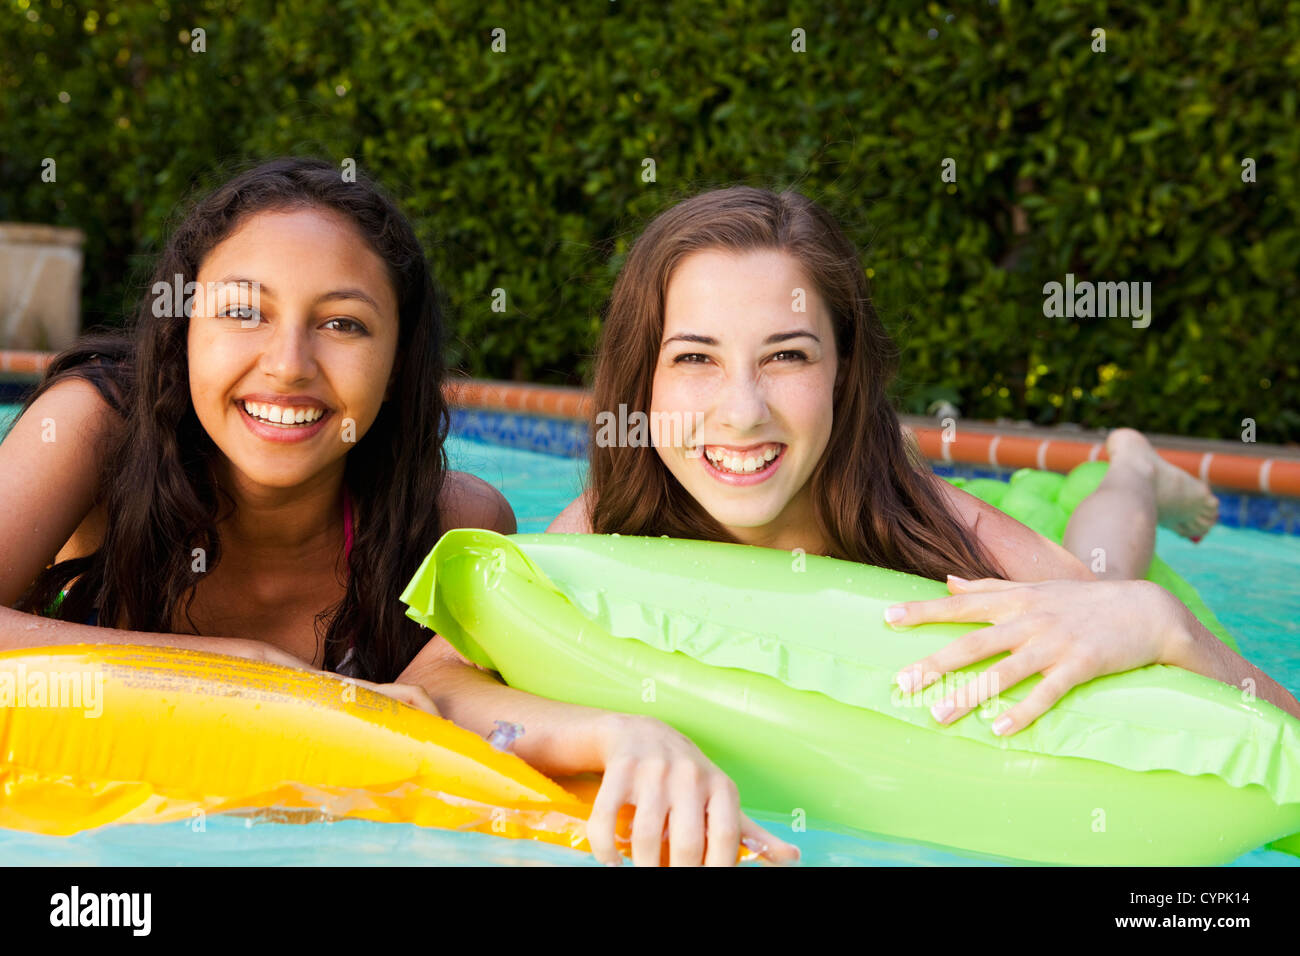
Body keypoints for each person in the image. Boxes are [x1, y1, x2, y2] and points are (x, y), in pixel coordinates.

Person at [0, 159, 798, 868]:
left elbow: (461, 712)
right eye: (244, 312)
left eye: (342, 324)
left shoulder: (452, 528)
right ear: (182, 331)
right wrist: (252, 667)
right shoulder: (97, 431)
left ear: (397, 360)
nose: (287, 365)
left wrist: (626, 732)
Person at [548, 185, 1300, 731]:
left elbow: (1280, 726)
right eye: (694, 358)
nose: (743, 410)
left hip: (899, 495)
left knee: (1106, 569)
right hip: (842, 468)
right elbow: (442, 678)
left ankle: (1132, 467)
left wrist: (1163, 624)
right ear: (639, 376)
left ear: (844, 371)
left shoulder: (943, 531)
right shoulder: (611, 521)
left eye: (786, 355)